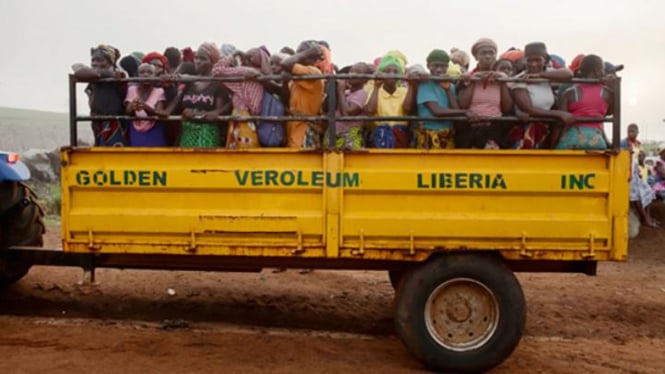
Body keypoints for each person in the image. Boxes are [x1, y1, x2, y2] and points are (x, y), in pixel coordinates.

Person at [509, 42, 574, 149]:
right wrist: (558, 114)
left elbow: (569, 74)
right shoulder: (520, 78)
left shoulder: (548, 73)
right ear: (525, 61)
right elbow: (528, 108)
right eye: (530, 60)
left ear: (545, 60)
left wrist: (540, 75)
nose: (533, 64)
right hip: (527, 130)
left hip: (545, 128)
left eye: (538, 60)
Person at [458, 38, 513, 149]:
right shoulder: (468, 76)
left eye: (491, 53)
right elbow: (463, 105)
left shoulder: (502, 78)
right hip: (471, 129)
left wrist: (502, 81)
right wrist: (474, 80)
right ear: (476, 56)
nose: (488, 56)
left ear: (495, 56)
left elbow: (507, 108)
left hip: (495, 129)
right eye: (483, 53)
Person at [415, 49, 474, 149]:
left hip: (448, 134)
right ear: (428, 66)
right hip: (430, 134)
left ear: (447, 67)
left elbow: (455, 108)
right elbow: (436, 111)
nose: (439, 70)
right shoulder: (425, 84)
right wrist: (465, 112)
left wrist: (447, 89)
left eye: (443, 66)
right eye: (435, 66)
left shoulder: (450, 86)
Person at [73, 44, 128, 146]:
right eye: (93, 60)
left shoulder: (119, 74)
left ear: (111, 62)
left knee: (114, 155)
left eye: (100, 60)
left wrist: (102, 74)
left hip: (114, 123)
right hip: (97, 121)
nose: (95, 63)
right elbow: (76, 67)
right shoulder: (96, 76)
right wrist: (100, 73)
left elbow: (122, 76)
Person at [178, 43, 230, 147]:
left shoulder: (218, 84)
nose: (197, 61)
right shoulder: (189, 83)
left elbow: (218, 112)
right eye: (196, 57)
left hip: (207, 134)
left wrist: (214, 112)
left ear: (213, 62)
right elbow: (177, 105)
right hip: (186, 132)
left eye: (203, 58)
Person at [212, 50, 267, 149]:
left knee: (237, 158)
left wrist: (233, 54)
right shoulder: (263, 75)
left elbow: (217, 71)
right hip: (254, 121)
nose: (246, 57)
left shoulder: (245, 71)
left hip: (242, 120)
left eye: (251, 56)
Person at [556, 55, 612, 150]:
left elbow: (560, 125)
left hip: (572, 140)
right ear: (597, 70)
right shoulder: (607, 93)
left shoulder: (569, 92)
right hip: (597, 141)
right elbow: (611, 112)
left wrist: (553, 145)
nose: (604, 72)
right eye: (602, 69)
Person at [365, 54, 416, 148]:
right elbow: (370, 110)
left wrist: (411, 86)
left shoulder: (404, 91)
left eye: (395, 71)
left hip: (401, 136)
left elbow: (407, 108)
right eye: (387, 71)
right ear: (380, 74)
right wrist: (376, 86)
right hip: (379, 137)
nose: (391, 74)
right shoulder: (374, 91)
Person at [281, 42, 325, 149]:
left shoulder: (314, 72)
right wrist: (284, 82)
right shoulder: (297, 77)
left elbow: (285, 64)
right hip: (293, 128)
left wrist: (305, 53)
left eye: (300, 53)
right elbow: (285, 99)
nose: (296, 56)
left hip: (304, 129)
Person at [124, 63, 167, 147]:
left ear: (155, 75)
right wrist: (133, 105)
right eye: (142, 72)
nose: (146, 75)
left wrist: (144, 106)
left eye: (150, 72)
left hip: (154, 130)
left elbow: (158, 112)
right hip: (135, 130)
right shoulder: (131, 89)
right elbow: (127, 111)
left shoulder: (159, 91)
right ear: (137, 75)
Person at [331, 62, 370, 150]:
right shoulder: (346, 92)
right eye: (351, 70)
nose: (352, 74)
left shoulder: (362, 94)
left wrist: (340, 91)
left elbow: (347, 113)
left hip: (349, 137)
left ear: (365, 80)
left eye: (358, 72)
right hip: (336, 134)